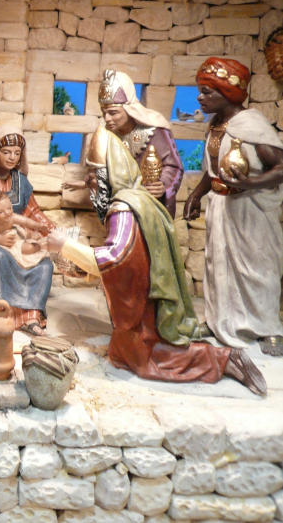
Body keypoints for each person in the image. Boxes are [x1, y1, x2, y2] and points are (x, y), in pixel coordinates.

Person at [47, 124, 266, 395]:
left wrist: (65, 246)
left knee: (149, 360)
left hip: (145, 306)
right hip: (147, 292)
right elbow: (128, 257)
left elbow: (114, 258)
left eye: (94, 176)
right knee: (122, 352)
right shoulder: (141, 200)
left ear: (109, 175)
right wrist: (81, 267)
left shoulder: (123, 209)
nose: (90, 184)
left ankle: (224, 359)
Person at [184, 57, 283, 356]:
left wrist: (250, 184)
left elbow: (280, 167)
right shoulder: (216, 125)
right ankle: (219, 321)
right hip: (221, 207)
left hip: (250, 211)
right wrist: (196, 195)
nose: (200, 98)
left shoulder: (251, 126)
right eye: (200, 91)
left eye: (207, 92)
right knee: (218, 265)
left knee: (257, 268)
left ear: (227, 93)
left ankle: (268, 328)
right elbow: (212, 169)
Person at [0, 126, 55, 336]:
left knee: (45, 265)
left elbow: (33, 212)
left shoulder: (20, 181)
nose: (12, 157)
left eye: (16, 153)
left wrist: (51, 230)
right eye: (6, 152)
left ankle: (31, 315)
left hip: (19, 240)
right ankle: (2, 312)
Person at [98, 69, 184, 217]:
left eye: (113, 113)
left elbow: (174, 166)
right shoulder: (106, 134)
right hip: (117, 205)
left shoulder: (155, 129)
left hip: (149, 205)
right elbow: (101, 170)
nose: (107, 119)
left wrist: (163, 185)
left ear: (129, 109)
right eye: (103, 112)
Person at [0, 191, 49, 259]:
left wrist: (38, 226)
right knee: (30, 248)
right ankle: (37, 246)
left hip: (15, 236)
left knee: (26, 235)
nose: (7, 213)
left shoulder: (12, 217)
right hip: (9, 243)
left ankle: (31, 237)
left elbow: (26, 221)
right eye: (1, 212)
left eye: (9, 208)